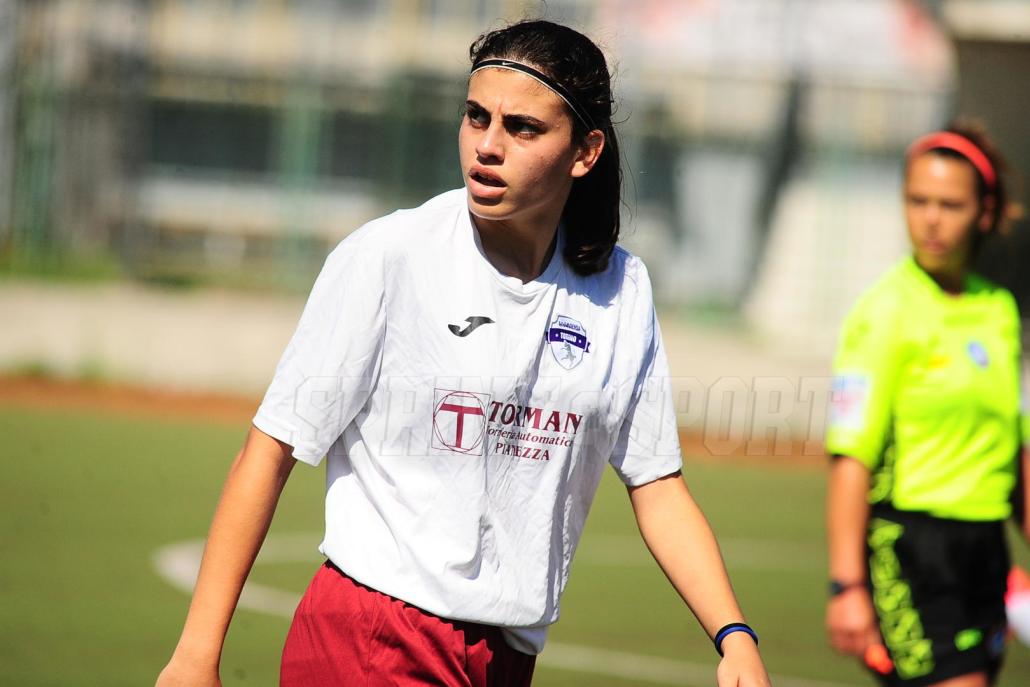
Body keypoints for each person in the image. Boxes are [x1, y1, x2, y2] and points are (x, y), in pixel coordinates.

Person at [157, 19, 771, 687]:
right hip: (372, 640)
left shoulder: (622, 290)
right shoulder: (390, 257)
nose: (487, 145)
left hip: (506, 659)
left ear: (585, 151)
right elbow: (268, 451)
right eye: (476, 116)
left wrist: (734, 636)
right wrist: (196, 654)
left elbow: (656, 484)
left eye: (522, 128)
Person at [825, 122, 1029, 687]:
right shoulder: (884, 311)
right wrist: (846, 586)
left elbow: (1013, 450)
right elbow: (851, 457)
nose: (931, 219)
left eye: (950, 204)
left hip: (986, 547)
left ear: (985, 213)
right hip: (911, 548)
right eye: (918, 201)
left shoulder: (998, 310)